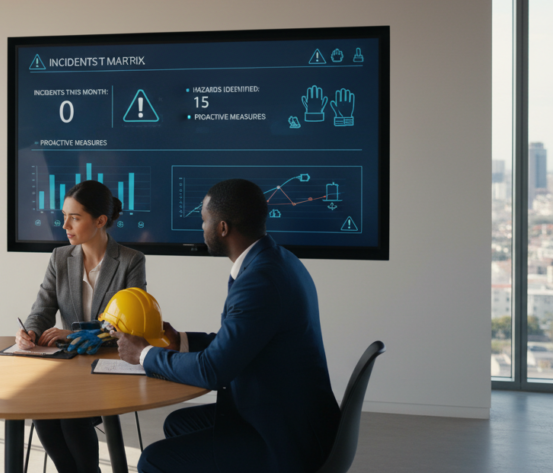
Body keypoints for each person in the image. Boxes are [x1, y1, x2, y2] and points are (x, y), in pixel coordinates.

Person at [114, 179, 340, 473]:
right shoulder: (273, 260)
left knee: (153, 460)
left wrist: (143, 354)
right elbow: (238, 341)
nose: (202, 228)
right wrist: (180, 341)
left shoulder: (260, 281)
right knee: (179, 422)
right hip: (285, 412)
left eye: (204, 220)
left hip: (285, 438)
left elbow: (213, 371)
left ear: (222, 228)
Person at [17, 180, 146, 473]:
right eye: (64, 216)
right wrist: (31, 331)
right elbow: (43, 308)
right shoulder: (60, 257)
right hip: (70, 364)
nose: (65, 225)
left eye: (74, 217)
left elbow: (131, 323)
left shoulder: (131, 261)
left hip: (111, 362)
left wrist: (77, 333)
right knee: (43, 414)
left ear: (100, 221)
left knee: (71, 417)